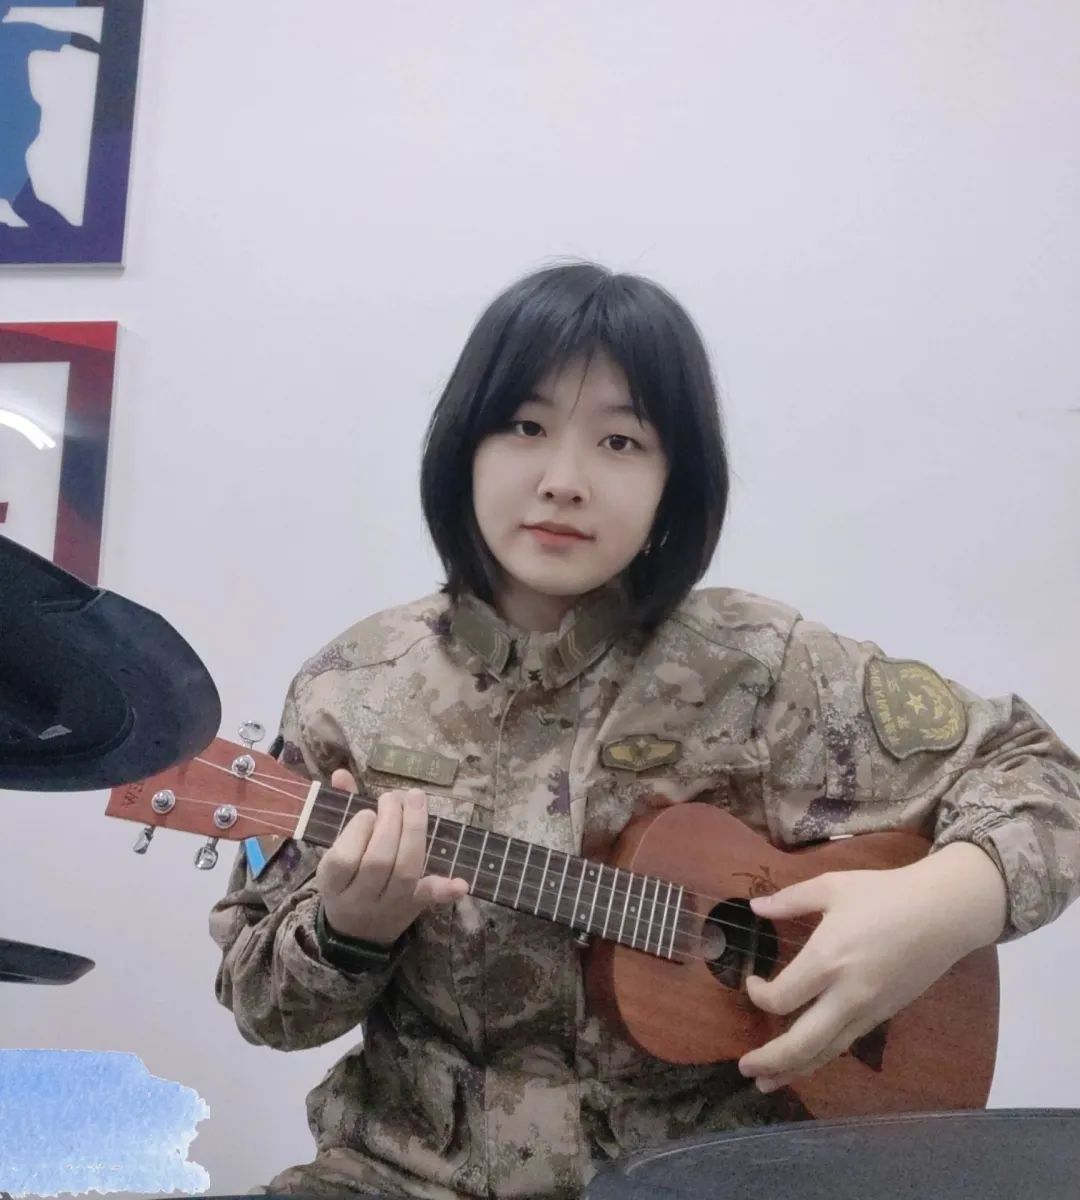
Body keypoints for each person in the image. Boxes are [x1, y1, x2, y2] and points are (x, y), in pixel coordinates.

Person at [210, 262, 1080, 1199]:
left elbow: (1042, 775)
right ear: (464, 444)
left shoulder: (760, 667)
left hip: (708, 1178)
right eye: (525, 427)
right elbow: (265, 1010)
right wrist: (349, 931)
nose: (563, 481)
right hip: (400, 1177)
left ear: (676, 479)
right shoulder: (350, 689)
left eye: (620, 441)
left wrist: (937, 910)